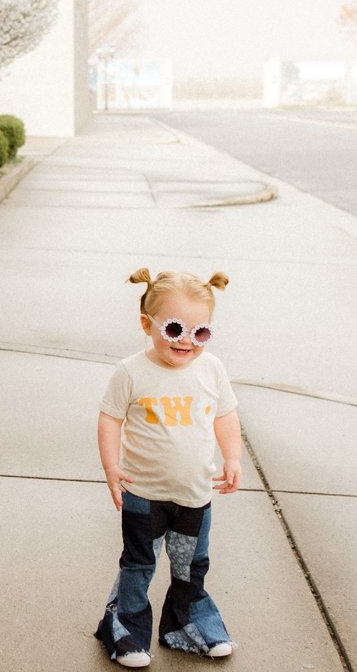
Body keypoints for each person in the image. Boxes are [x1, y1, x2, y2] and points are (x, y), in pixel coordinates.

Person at [94, 268, 243, 668]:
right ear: (147, 323)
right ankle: (125, 630)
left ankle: (188, 627)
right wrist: (111, 467)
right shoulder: (131, 371)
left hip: (194, 495)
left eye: (201, 333)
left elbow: (225, 416)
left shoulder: (211, 369)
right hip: (143, 493)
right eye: (175, 328)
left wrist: (232, 457)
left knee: (191, 566)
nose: (186, 342)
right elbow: (110, 418)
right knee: (140, 564)